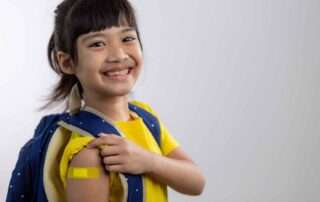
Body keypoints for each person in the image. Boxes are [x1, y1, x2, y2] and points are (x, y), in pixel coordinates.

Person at [9, 0, 205, 201]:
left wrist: (148, 161)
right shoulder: (90, 155)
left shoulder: (145, 117)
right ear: (67, 62)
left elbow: (196, 182)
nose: (118, 55)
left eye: (127, 38)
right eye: (97, 44)